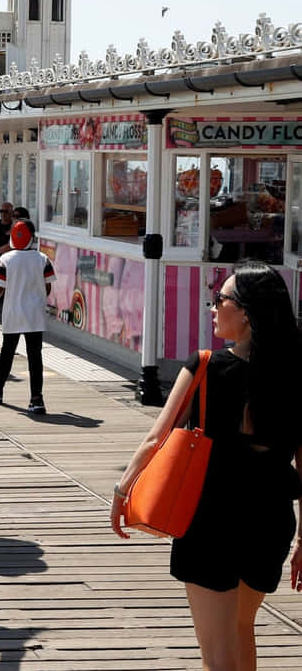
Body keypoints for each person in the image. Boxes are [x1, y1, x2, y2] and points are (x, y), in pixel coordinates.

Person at [111, 261, 302, 670]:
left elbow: (155, 438)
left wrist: (122, 490)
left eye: (220, 299)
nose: (212, 308)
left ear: (246, 312)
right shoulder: (295, 377)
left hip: (210, 519)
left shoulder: (206, 367)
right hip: (270, 522)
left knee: (217, 656)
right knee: (240, 629)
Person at [0, 220, 55, 414]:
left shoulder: (5, 259)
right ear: (32, 237)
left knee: (7, 352)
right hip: (35, 314)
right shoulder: (42, 259)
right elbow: (48, 286)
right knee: (35, 357)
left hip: (13, 312)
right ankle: (36, 399)